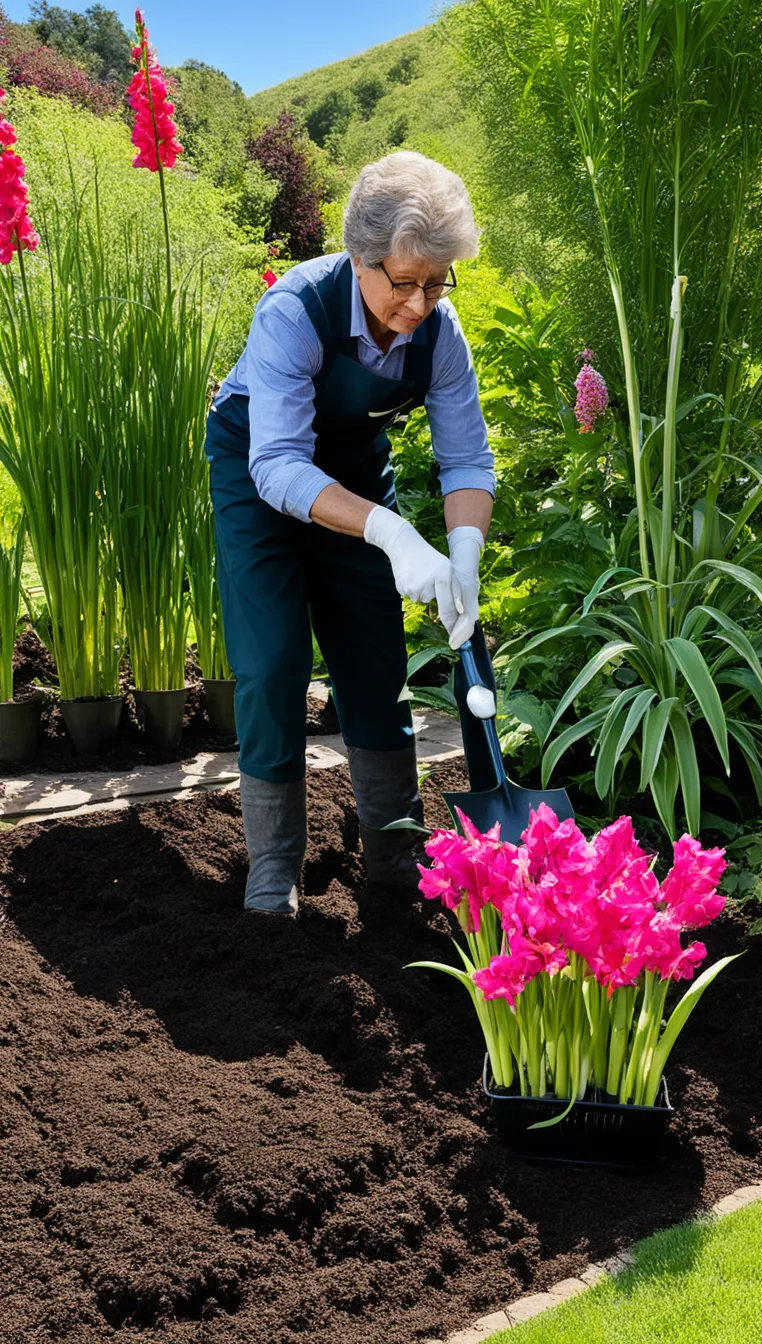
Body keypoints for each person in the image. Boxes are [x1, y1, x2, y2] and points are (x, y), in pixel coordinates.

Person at [205, 150, 495, 916]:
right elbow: (278, 465)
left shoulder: (439, 331)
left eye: (437, 282)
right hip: (258, 472)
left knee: (374, 656)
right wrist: (395, 534)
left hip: (357, 476)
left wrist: (462, 556)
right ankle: (273, 865)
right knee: (271, 664)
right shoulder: (295, 311)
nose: (420, 303)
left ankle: (396, 854)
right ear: (359, 257)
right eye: (404, 282)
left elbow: (467, 456)